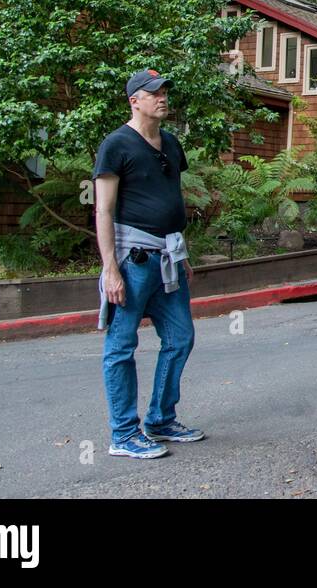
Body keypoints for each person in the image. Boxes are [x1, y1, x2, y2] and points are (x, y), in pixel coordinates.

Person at [92, 69, 205, 459]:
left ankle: (160, 418)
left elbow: (172, 199)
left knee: (180, 338)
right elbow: (104, 210)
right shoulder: (116, 145)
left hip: (169, 260)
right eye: (153, 92)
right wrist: (110, 268)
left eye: (165, 91)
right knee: (121, 346)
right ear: (133, 100)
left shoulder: (171, 144)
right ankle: (123, 434)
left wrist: (183, 252)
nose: (162, 97)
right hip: (133, 260)